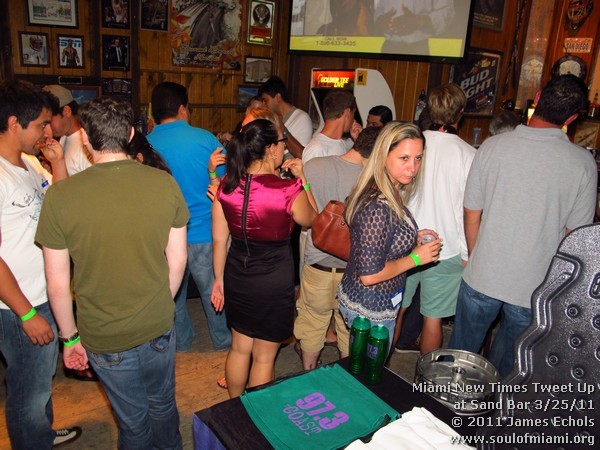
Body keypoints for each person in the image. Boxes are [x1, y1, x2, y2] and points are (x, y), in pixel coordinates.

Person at [36, 96, 189, 449]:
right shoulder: (164, 183)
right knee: (163, 405)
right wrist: (158, 303)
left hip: (103, 332)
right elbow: (178, 259)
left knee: (133, 421)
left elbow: (57, 284)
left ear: (85, 138)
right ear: (132, 133)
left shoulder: (60, 196)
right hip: (157, 323)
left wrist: (69, 338)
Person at [447, 74, 597, 376]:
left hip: (483, 274)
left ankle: (448, 403)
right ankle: (495, 408)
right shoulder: (583, 163)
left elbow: (471, 213)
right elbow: (575, 240)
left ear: (538, 98)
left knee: (460, 361)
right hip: (535, 286)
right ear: (571, 118)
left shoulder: (492, 146)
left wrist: (476, 256)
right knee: (510, 371)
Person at [0, 80, 81, 449]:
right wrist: (26, 313)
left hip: (44, 294)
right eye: (41, 125)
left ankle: (40, 434)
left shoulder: (30, 162)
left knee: (40, 382)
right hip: (19, 304)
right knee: (27, 392)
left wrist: (58, 162)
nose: (48, 133)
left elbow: (59, 205)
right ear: (14, 123)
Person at [211, 119, 318, 398]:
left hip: (237, 274)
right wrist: (303, 181)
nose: (284, 147)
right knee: (263, 357)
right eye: (282, 142)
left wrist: (219, 280)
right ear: (271, 149)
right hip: (272, 280)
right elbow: (312, 220)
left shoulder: (226, 186)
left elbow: (220, 241)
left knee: (239, 348)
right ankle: (255, 414)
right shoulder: (287, 190)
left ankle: (235, 408)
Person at [337, 122, 442, 349]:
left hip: (375, 299)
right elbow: (370, 275)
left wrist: (410, 238)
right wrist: (416, 258)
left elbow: (379, 240)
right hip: (370, 308)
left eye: (418, 158)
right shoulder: (377, 206)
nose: (413, 167)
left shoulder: (389, 187)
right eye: (404, 158)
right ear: (383, 155)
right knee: (368, 369)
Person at [147, 82, 231, 352]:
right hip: (205, 231)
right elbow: (226, 183)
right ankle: (221, 339)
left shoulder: (145, 145)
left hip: (164, 234)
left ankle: (182, 341)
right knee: (213, 291)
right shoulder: (206, 140)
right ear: (183, 108)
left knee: (173, 295)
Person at [295, 126, 381, 370]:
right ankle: (346, 378)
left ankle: (309, 372)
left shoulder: (313, 167)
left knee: (312, 321)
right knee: (349, 326)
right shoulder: (373, 180)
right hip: (354, 270)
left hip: (317, 263)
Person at [398, 83, 476, 355]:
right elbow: (468, 210)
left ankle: (382, 370)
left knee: (396, 310)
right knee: (433, 319)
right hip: (446, 247)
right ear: (461, 112)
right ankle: (425, 376)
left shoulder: (411, 146)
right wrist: (467, 253)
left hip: (406, 242)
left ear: (429, 110)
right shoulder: (469, 154)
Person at [258, 76, 313, 158]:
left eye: (266, 101)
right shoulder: (272, 118)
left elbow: (301, 155)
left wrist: (282, 128)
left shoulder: (302, 118)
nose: (264, 106)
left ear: (278, 97)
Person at [43, 85, 92, 176]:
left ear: (66, 111)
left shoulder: (87, 147)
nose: (46, 128)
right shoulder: (64, 137)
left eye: (49, 121)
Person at [301, 89, 358, 164]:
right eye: (353, 113)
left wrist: (359, 139)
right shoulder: (316, 149)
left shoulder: (345, 144)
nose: (354, 119)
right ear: (347, 112)